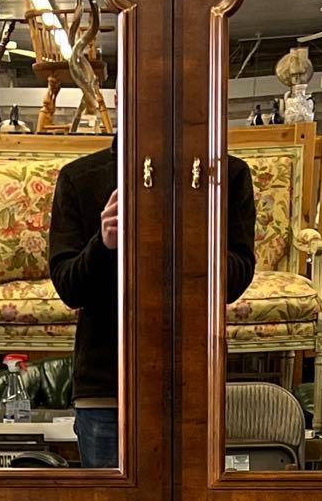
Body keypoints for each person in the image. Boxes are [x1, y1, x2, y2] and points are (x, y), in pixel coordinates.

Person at [49, 148, 257, 467]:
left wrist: (198, 234)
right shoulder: (81, 178)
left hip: (192, 382)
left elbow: (234, 283)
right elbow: (69, 289)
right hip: (108, 385)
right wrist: (104, 244)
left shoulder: (227, 175)